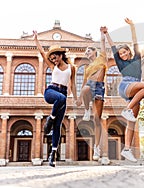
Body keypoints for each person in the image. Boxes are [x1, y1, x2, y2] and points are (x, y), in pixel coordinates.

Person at [103, 18, 144, 162]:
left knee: (132, 121)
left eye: (124, 52)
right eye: (121, 54)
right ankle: (127, 109)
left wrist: (132, 27)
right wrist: (107, 34)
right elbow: (113, 47)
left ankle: (126, 150)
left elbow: (135, 42)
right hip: (126, 86)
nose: (123, 55)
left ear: (129, 51)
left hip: (135, 91)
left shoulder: (137, 57)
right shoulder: (120, 63)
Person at [33, 31, 77, 167]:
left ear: (61, 55)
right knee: (62, 98)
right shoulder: (53, 66)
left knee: (58, 126)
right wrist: (36, 39)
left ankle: (53, 155)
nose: (53, 60)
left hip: (63, 94)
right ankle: (50, 118)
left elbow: (73, 84)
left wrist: (76, 98)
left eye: (55, 57)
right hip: (51, 91)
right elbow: (41, 52)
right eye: (51, 58)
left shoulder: (72, 68)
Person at [75, 27, 110, 165]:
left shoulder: (101, 58)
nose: (87, 53)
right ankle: (86, 109)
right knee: (85, 89)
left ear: (94, 51)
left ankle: (96, 148)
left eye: (88, 51)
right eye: (86, 52)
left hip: (100, 88)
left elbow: (103, 43)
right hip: (90, 86)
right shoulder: (86, 68)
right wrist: (79, 98)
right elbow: (84, 83)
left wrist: (102, 34)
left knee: (97, 119)